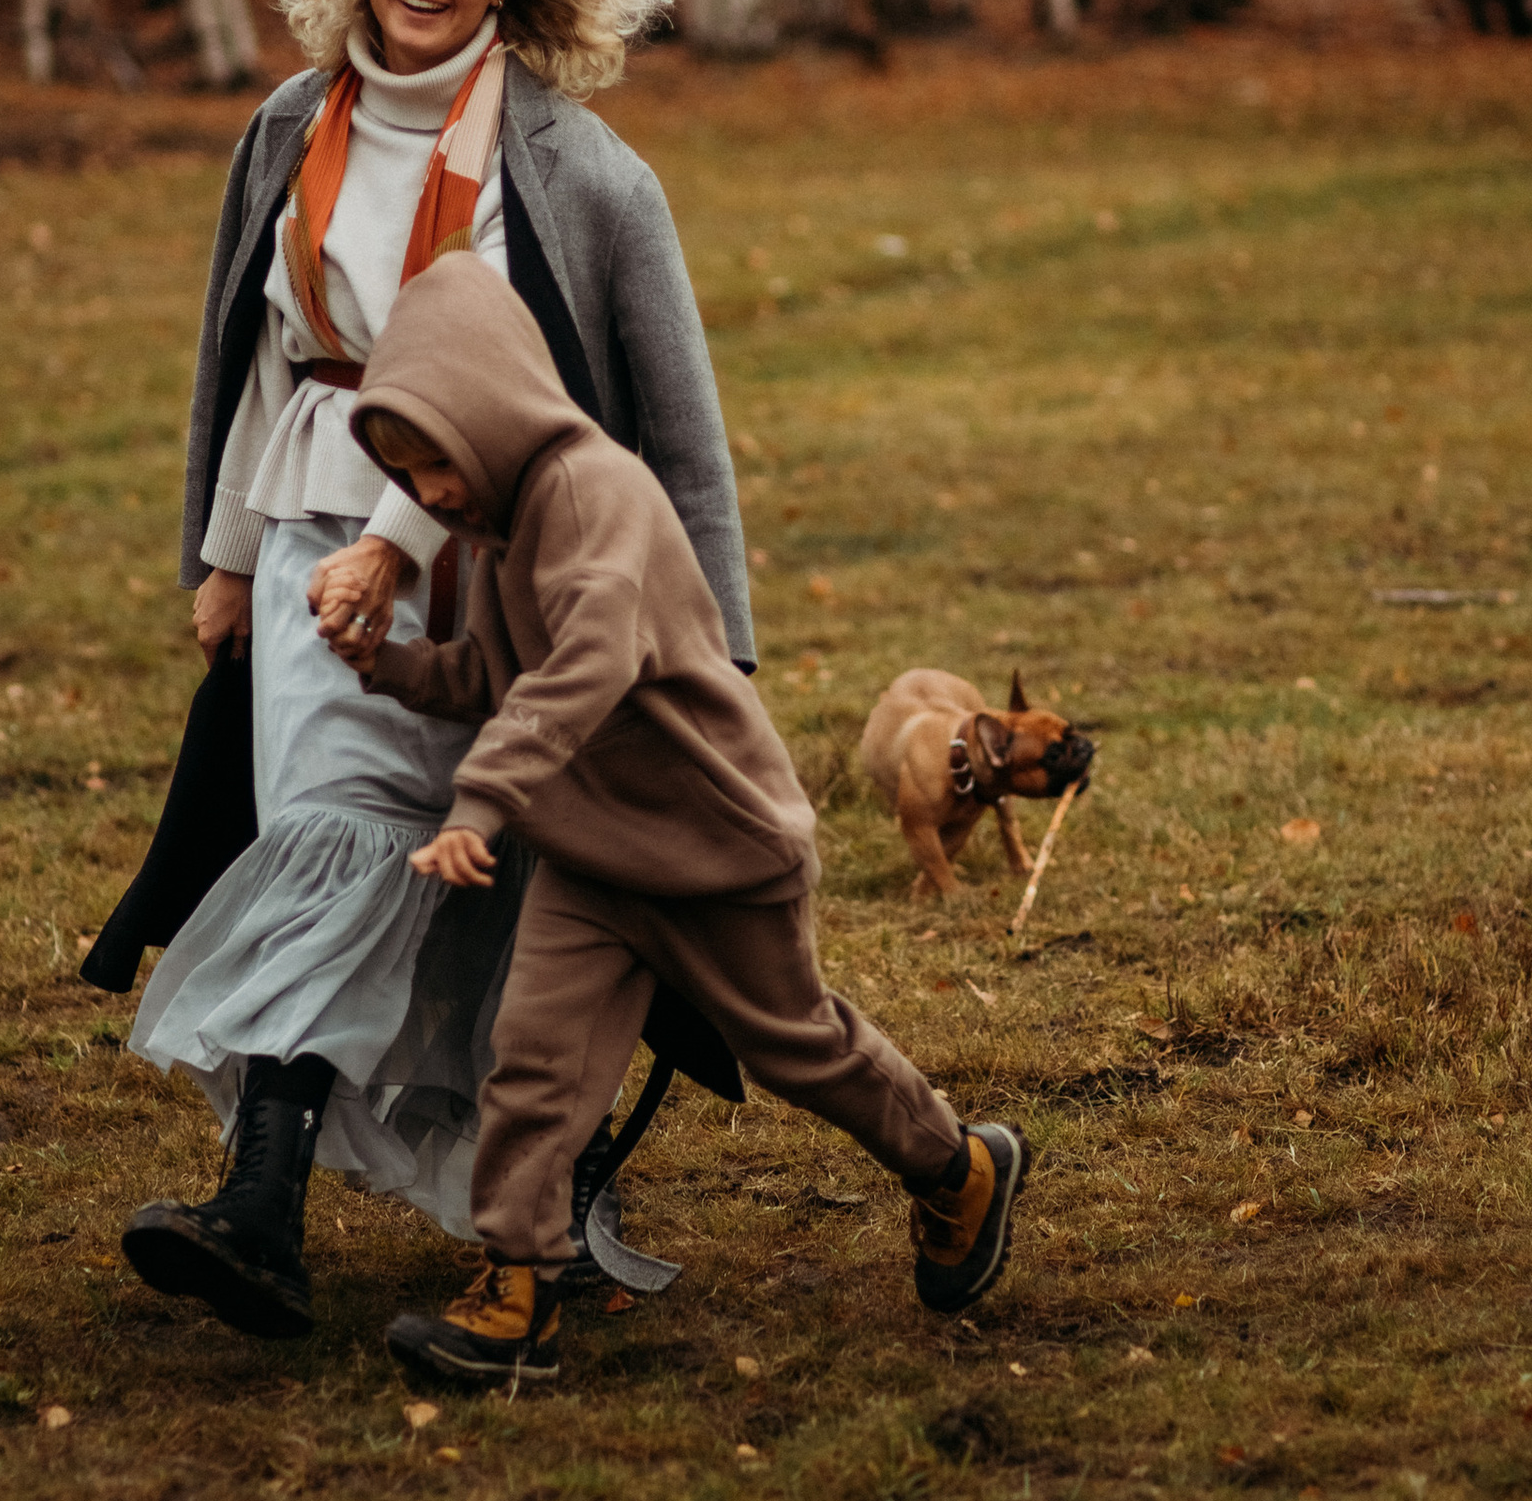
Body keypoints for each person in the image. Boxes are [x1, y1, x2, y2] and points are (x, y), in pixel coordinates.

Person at [117, 0, 751, 1345]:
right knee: (334, 838)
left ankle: (538, 1194)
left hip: (499, 570)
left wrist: (718, 647)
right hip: (307, 542)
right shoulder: (285, 129)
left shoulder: (588, 177)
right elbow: (250, 358)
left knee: (513, 876)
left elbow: (678, 429)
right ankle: (261, 1208)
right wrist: (220, 559)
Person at [317, 256, 1028, 1393]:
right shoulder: (504, 534)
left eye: (435, 461)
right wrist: (390, 666)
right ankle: (518, 1290)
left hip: (713, 844)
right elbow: (502, 675)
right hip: (595, 855)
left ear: (492, 408)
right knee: (534, 1064)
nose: (432, 495)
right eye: (405, 475)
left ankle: (958, 1169)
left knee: (798, 1049)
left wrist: (486, 798)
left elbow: (590, 662)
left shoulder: (594, 495)